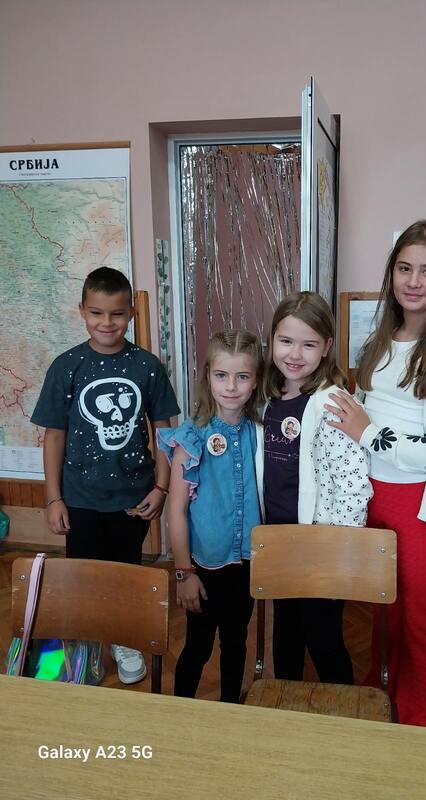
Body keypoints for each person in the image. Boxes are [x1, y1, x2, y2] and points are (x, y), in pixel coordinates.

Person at [325, 220, 426, 728]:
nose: (414, 281)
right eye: (404, 268)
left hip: (422, 504)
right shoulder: (381, 339)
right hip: (373, 494)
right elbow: (361, 415)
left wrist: (369, 434)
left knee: (420, 614)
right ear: (391, 272)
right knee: (384, 605)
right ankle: (383, 689)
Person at [31, 266, 180, 685]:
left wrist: (162, 487)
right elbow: (54, 436)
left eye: (116, 313)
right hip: (79, 498)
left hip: (133, 497)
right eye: (97, 313)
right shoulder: (67, 366)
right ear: (82, 310)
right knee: (82, 576)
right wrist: (53, 498)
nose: (107, 323)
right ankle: (83, 647)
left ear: (131, 312)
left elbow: (165, 433)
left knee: (124, 573)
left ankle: (123, 638)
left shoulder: (148, 366)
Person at [263, 291, 373, 685]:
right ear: (272, 340)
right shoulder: (269, 399)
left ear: (326, 347)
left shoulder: (333, 404)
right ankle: (287, 707)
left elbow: (353, 484)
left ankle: (342, 710)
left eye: (308, 345)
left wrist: (338, 548)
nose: (295, 354)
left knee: (323, 638)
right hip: (279, 540)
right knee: (286, 632)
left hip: (320, 544)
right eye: (285, 341)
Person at [158, 330, 264, 702]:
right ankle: (181, 713)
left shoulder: (259, 433)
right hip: (204, 567)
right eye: (222, 375)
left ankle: (230, 709)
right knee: (198, 645)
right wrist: (184, 573)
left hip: (246, 564)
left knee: (236, 642)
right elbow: (176, 510)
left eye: (242, 376)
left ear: (256, 381)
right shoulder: (192, 438)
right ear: (208, 377)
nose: (231, 386)